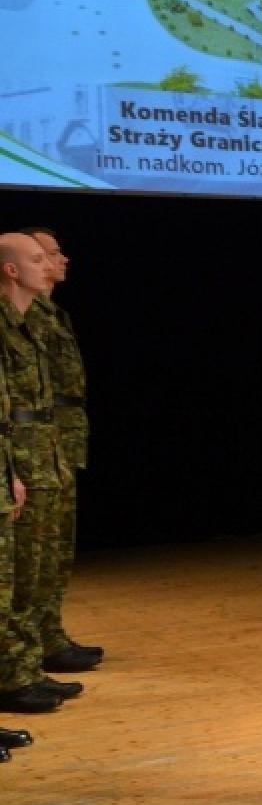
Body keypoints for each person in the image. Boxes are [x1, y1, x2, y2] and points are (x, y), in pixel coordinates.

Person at [0, 232, 77, 716]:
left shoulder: (34, 320)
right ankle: (15, 673)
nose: (49, 265)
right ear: (10, 269)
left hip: (40, 452)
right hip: (20, 455)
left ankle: (23, 668)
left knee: (34, 568)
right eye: (36, 258)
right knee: (15, 575)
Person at [25, 228, 100, 674]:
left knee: (56, 547)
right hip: (36, 443)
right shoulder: (22, 316)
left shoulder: (52, 313)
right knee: (36, 549)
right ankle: (29, 647)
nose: (61, 260)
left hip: (58, 440)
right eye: (49, 254)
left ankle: (47, 635)